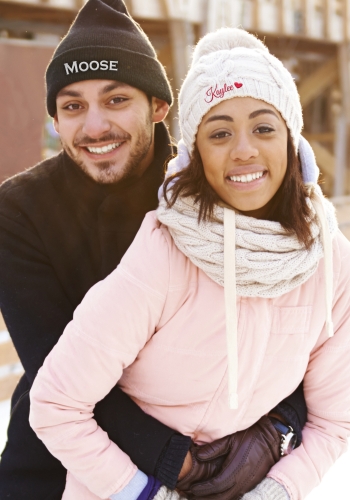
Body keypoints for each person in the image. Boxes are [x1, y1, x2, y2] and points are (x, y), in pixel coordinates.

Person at [29, 27, 350, 500]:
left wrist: (275, 492)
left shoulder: (329, 261)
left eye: (264, 127)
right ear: (195, 154)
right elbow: (56, 405)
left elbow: (334, 420)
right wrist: (143, 494)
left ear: (291, 143)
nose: (244, 149)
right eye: (220, 133)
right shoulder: (163, 253)